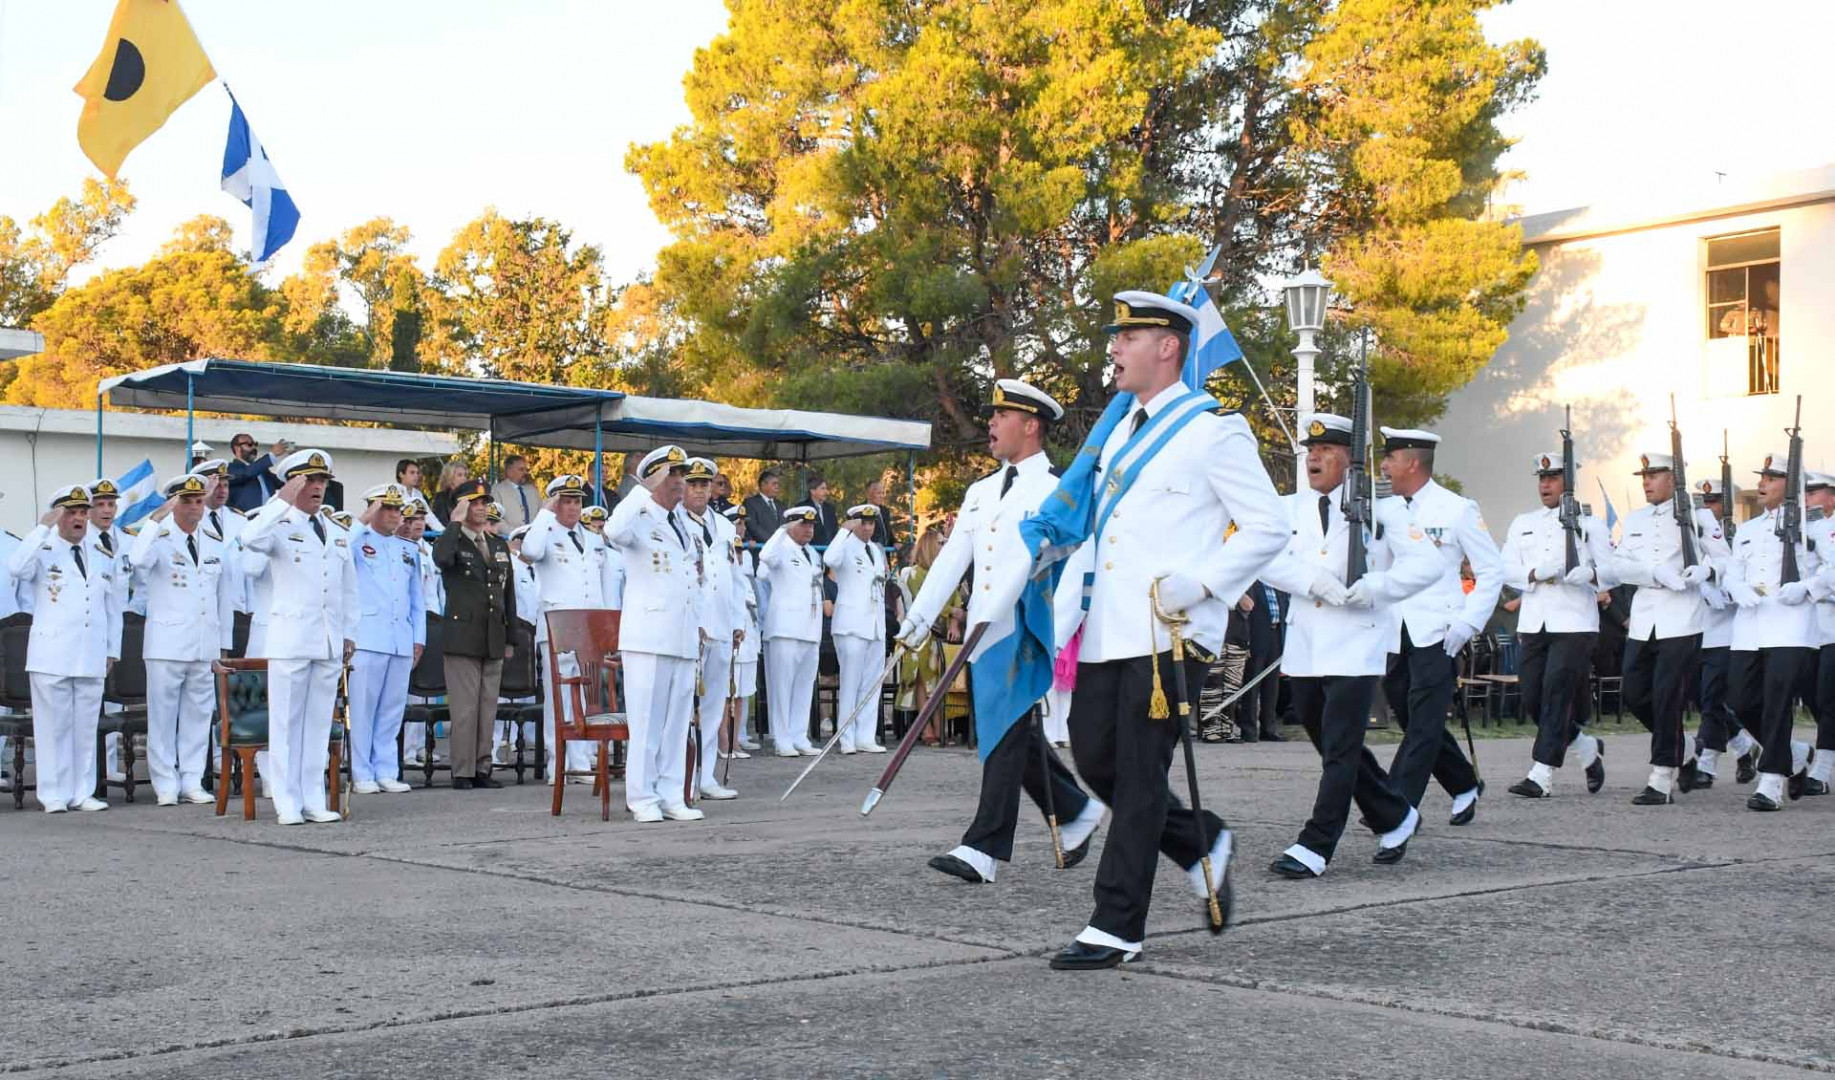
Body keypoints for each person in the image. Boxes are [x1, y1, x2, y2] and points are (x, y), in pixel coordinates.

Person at [1015, 292, 1287, 970]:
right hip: (1111, 627)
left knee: (1138, 773)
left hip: (1172, 630)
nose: (1113, 348)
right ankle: (1199, 841)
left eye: (1127, 337)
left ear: (1167, 347)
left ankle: (1116, 924)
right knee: (1094, 758)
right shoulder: (1117, 433)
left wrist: (1201, 584)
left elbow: (1267, 527)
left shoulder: (1214, 431)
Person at [895, 379, 1106, 885]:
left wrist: (1052, 636)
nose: (990, 423)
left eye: (1001, 416)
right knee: (1011, 733)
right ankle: (1076, 810)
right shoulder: (981, 491)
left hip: (1025, 629)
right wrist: (915, 623)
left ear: (1030, 426)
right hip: (983, 632)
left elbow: (1076, 568)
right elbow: (951, 561)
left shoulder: (1058, 489)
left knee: (1005, 737)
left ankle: (983, 847)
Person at [1258, 414, 1439, 877]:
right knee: (1331, 743)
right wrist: (1311, 581)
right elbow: (1263, 559)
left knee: (1340, 746)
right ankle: (1394, 815)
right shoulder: (1287, 508)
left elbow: (1427, 565)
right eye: (1310, 450)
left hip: (1357, 642)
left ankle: (1315, 845)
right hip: (1306, 642)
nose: (1313, 458)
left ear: (1351, 459)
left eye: (1326, 450)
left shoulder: (1384, 509)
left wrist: (1378, 586)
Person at [1377, 427, 1502, 825]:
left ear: (1413, 463)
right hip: (1397, 629)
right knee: (1411, 717)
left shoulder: (1457, 509)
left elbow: (1491, 571)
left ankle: (1396, 807)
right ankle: (1463, 782)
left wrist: (1468, 622)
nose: (1384, 466)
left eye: (1391, 458)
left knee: (1424, 721)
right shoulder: (1386, 510)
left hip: (1440, 631)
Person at [233, 449, 357, 825]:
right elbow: (248, 538)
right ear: (292, 484)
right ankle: (287, 801)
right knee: (286, 724)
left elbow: (348, 588)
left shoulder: (336, 531)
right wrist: (279, 501)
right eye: (308, 481)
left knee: (317, 725)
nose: (317, 487)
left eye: (321, 481)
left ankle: (313, 798)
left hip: (327, 639)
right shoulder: (277, 524)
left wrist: (349, 633)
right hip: (291, 638)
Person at [1606, 452, 1730, 803]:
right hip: (1644, 619)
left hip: (1682, 618)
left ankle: (1661, 778)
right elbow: (1617, 566)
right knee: (1634, 693)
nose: (1645, 482)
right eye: (1643, 476)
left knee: (1667, 698)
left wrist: (1707, 571)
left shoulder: (1698, 516)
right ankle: (1684, 747)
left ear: (1674, 478)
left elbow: (1726, 561)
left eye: (1653, 475)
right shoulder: (1636, 519)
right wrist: (1652, 573)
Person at [1501, 449, 1616, 799]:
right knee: (1533, 696)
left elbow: (1612, 572)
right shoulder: (1523, 522)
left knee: (1556, 692)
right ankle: (1584, 746)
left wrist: (1590, 575)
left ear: (1569, 482)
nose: (1545, 485)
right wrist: (1534, 573)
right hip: (1534, 621)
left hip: (1574, 621)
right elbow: (1505, 567)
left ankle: (1541, 774)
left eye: (1553, 478)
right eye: (1542, 478)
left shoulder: (1591, 525)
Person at [7, 484, 121, 812]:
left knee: (85, 728)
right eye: (71, 513)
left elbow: (112, 606)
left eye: (83, 512)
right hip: (52, 654)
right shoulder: (42, 549)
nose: (79, 519)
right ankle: (53, 793)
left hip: (90, 652)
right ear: (58, 516)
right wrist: (41, 528)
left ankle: (82, 792)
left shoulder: (100, 553)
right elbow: (16, 568)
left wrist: (112, 649)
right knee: (53, 728)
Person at [607, 446, 704, 820]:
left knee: (677, 725)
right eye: (672, 474)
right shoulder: (638, 515)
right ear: (655, 478)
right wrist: (641, 490)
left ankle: (671, 795)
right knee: (646, 723)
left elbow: (691, 577)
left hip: (681, 635)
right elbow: (613, 530)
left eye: (681, 474)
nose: (680, 481)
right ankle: (642, 798)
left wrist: (699, 625)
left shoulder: (682, 521)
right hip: (648, 636)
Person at [128, 473, 237, 806]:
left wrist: (223, 646)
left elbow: (223, 598)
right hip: (167, 644)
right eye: (186, 501)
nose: (194, 508)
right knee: (162, 718)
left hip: (204, 644)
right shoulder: (158, 538)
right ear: (173, 504)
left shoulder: (214, 540)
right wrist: (156, 518)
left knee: (199, 716)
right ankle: (165, 783)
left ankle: (192, 779)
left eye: (199, 501)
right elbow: (136, 560)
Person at [1723, 449, 1818, 811]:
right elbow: (1732, 572)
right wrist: (1737, 588)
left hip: (1791, 627)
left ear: (1791, 485)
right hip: (1749, 626)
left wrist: (1807, 587)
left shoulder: (1813, 526)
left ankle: (1771, 782)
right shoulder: (1748, 529)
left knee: (1777, 703)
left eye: (1771, 478)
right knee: (1740, 701)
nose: (1762, 484)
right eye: (1761, 478)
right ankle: (1792, 754)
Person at [520, 473, 606, 781]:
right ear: (555, 503)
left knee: (583, 695)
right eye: (566, 501)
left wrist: (603, 626)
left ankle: (579, 761)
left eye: (577, 501)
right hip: (557, 625)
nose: (572, 507)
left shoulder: (592, 538)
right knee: (557, 696)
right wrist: (544, 512)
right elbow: (529, 551)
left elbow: (598, 585)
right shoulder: (544, 533)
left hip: (587, 626)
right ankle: (557, 761)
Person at [433, 479, 516, 790]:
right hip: (463, 636)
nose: (481, 508)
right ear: (461, 506)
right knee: (465, 709)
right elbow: (441, 559)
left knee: (487, 706)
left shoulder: (496, 544)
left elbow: (507, 594)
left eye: (484, 503)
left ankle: (482, 766)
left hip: (492, 634)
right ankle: (463, 769)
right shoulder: (453, 540)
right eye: (474, 503)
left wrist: (510, 637)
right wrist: (454, 523)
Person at [345, 483, 423, 795]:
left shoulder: (408, 549)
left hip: (400, 637)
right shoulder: (357, 540)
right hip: (367, 637)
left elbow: (417, 599)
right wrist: (364, 518)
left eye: (397, 508)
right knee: (362, 711)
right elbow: (338, 550)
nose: (394, 514)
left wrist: (419, 638)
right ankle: (362, 772)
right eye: (387, 508)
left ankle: (387, 769)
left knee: (392, 710)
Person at [681, 458, 743, 799]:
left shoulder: (723, 526)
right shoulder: (675, 521)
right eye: (693, 484)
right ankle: (681, 779)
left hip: (721, 624)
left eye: (704, 485)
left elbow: (735, 576)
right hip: (691, 626)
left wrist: (738, 622)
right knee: (684, 708)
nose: (699, 490)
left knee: (714, 705)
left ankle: (705, 778)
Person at [1691, 477, 1757, 787]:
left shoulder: (1738, 539)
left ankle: (1706, 764)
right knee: (1702, 698)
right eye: (1704, 502)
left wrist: (1723, 592)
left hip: (1725, 632)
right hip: (1693, 629)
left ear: (1727, 504)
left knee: (1711, 699)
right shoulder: (1691, 536)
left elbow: (1747, 582)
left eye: (1714, 501)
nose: (1708, 508)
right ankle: (1743, 746)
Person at [760, 505, 823, 756]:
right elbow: (765, 557)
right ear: (790, 526)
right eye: (803, 524)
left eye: (811, 525)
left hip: (810, 628)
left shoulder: (812, 553)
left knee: (804, 686)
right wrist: (782, 531)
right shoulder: (780, 548)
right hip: (785, 629)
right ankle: (782, 738)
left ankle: (799, 735)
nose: (808, 530)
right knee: (782, 687)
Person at [828, 504, 890, 754]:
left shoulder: (875, 549)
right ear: (853, 523)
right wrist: (843, 531)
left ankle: (866, 735)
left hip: (874, 624)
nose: (867, 528)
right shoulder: (844, 545)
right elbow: (829, 559)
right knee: (850, 683)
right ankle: (846, 737)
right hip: (851, 624)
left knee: (872, 684)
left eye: (871, 523)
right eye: (862, 523)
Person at [399, 494, 445, 767]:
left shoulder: (428, 550)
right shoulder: (402, 549)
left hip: (430, 623)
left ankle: (417, 747)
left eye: (420, 518)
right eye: (412, 519)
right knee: (406, 690)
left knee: (424, 689)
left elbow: (436, 591)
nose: (418, 523)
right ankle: (404, 750)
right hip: (408, 624)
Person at [722, 504, 762, 755]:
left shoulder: (744, 573)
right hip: (729, 643)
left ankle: (736, 740)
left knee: (741, 694)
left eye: (740, 551)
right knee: (725, 695)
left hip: (747, 642)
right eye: (735, 551)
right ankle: (724, 742)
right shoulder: (722, 570)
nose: (739, 555)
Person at [226, 433, 290, 512]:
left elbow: (283, 482)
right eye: (249, 444)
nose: (254, 447)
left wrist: (293, 465)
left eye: (255, 444)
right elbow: (247, 473)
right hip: (245, 517)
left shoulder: (261, 470)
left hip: (268, 516)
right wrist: (272, 455)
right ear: (237, 448)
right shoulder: (230, 468)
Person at [493, 454, 541, 533]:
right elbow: (496, 519)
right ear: (509, 471)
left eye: (526, 469)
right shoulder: (497, 490)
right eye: (521, 469)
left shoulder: (533, 491)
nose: (525, 472)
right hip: (508, 537)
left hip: (534, 536)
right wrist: (516, 533)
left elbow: (541, 513)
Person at [744, 469, 787, 548]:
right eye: (774, 484)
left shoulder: (781, 505)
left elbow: (786, 526)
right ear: (763, 485)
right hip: (761, 549)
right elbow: (753, 527)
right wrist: (772, 542)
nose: (777, 487)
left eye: (778, 484)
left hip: (780, 549)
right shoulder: (750, 503)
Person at [797, 474, 839, 547]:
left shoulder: (830, 509)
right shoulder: (802, 508)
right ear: (813, 491)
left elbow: (834, 530)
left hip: (829, 550)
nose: (826, 492)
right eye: (822, 489)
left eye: (826, 488)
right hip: (810, 549)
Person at [431, 459, 472, 526]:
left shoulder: (469, 497)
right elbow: (441, 523)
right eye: (459, 475)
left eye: (465, 475)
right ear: (450, 477)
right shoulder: (441, 498)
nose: (464, 478)